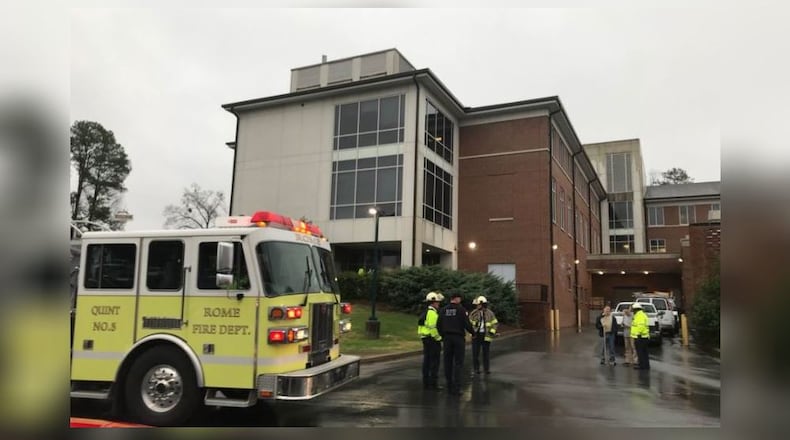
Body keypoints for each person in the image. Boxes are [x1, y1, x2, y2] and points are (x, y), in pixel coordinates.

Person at [437, 292, 474, 395]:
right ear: (457, 299)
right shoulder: (461, 310)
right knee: (458, 363)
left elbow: (438, 324)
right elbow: (467, 324)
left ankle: (449, 386)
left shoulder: (443, 310)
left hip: (447, 338)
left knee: (447, 362)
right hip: (458, 338)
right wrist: (473, 333)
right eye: (459, 299)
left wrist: (442, 336)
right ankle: (456, 388)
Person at [417, 291, 443, 390]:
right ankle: (433, 384)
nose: (438, 304)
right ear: (433, 303)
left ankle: (426, 382)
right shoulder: (432, 314)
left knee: (427, 361)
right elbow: (433, 328)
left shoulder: (425, 312)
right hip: (432, 340)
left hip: (425, 339)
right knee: (434, 362)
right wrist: (439, 338)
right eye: (437, 302)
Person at [468, 295, 498, 375]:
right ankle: (476, 369)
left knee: (486, 354)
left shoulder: (490, 313)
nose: (477, 306)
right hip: (476, 335)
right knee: (475, 354)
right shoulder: (473, 313)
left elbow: (495, 323)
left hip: (486, 336)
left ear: (482, 304)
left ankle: (486, 369)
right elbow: (469, 323)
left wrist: (492, 331)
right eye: (476, 305)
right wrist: (473, 328)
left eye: (478, 304)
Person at [631, 302, 651, 370]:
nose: (632, 311)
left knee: (641, 352)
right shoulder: (641, 315)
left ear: (636, 309)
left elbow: (640, 326)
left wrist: (638, 334)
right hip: (643, 337)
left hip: (640, 337)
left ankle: (642, 366)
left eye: (633, 310)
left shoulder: (639, 316)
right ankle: (646, 365)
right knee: (644, 352)